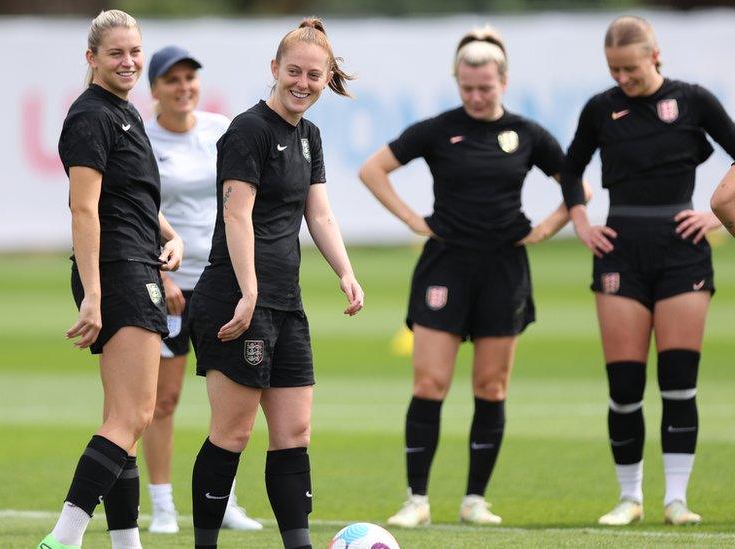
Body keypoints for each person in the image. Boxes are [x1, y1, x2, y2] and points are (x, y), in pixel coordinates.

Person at [359, 27, 580, 527]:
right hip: (446, 266)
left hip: (504, 268)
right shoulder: (438, 128)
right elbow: (374, 170)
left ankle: (475, 499)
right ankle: (416, 498)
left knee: (492, 387)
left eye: (485, 86)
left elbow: (577, 184)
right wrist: (414, 221)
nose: (476, 96)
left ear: (503, 81)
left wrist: (547, 228)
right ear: (457, 82)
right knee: (430, 382)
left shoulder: (527, 133)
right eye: (467, 87)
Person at [189, 17, 363, 549]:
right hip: (236, 296)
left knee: (294, 434)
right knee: (234, 434)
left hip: (286, 303)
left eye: (315, 75)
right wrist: (247, 292)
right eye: (294, 71)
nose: (303, 83)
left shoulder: (309, 136)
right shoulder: (247, 130)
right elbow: (237, 216)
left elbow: (321, 216)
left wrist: (346, 272)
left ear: (326, 77)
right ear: (274, 69)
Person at [560, 15, 735, 526]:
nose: (622, 80)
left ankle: (676, 499)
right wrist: (581, 224)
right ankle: (629, 497)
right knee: (625, 386)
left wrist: (717, 215)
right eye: (614, 70)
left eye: (630, 69)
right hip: (620, 251)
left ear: (654, 56)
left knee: (679, 383)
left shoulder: (694, 100)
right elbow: (571, 168)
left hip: (683, 251)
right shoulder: (601, 108)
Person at [37, 10, 184, 549]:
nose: (128, 62)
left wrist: (169, 233)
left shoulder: (124, 112)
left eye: (134, 52)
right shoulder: (91, 117)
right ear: (92, 58)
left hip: (133, 262)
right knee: (134, 415)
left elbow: (133, 196)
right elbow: (84, 209)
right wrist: (94, 295)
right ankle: (65, 536)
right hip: (120, 272)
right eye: (116, 53)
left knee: (123, 420)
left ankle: (126, 542)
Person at [142, 45, 262, 535]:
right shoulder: (142, 140)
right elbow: (133, 209)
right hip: (167, 286)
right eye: (172, 79)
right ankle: (164, 506)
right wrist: (160, 275)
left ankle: (224, 500)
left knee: (228, 402)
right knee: (162, 400)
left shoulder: (220, 129)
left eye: (190, 78)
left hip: (219, 284)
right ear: (154, 89)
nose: (184, 87)